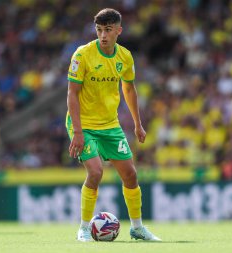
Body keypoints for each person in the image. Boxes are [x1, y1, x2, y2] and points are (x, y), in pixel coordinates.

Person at [66, 8, 161, 242]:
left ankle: (137, 227)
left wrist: (138, 124)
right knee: (96, 171)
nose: (103, 35)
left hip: (110, 125)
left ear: (119, 30)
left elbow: (129, 89)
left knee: (130, 175)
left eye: (108, 30)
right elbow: (72, 93)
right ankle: (84, 228)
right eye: (99, 30)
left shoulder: (125, 57)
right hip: (84, 125)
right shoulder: (82, 55)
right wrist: (77, 131)